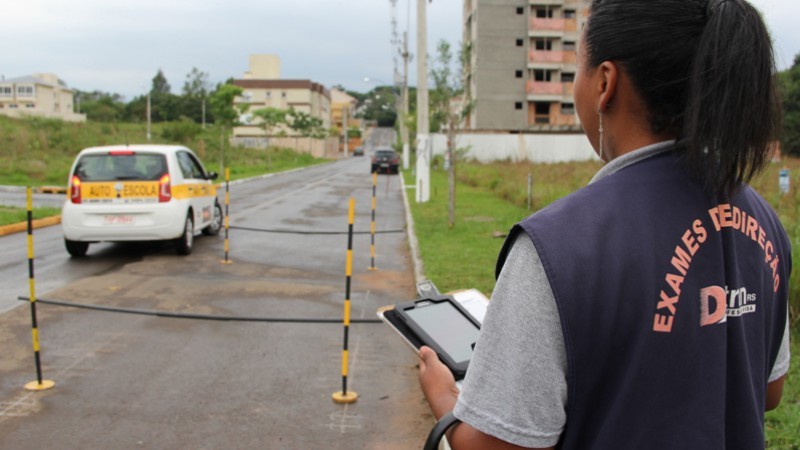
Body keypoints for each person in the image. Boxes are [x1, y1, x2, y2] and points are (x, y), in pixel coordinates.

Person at [417, 0, 791, 448]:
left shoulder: (557, 247)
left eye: (577, 65)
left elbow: (495, 445)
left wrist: (444, 398)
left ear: (605, 83)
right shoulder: (764, 221)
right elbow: (769, 390)